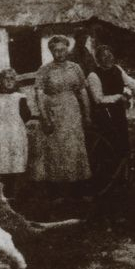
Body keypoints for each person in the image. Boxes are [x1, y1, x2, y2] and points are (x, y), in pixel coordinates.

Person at [85, 45, 135, 184]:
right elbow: (98, 99)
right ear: (98, 59)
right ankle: (106, 177)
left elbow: (132, 83)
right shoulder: (93, 75)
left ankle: (123, 176)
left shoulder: (117, 69)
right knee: (110, 145)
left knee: (123, 141)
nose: (108, 58)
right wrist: (117, 97)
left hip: (117, 112)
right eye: (104, 56)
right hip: (103, 113)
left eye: (110, 55)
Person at [33, 36, 92, 193]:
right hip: (54, 111)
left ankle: (77, 188)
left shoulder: (75, 68)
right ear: (51, 51)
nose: (60, 54)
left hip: (73, 111)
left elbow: (83, 91)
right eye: (56, 50)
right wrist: (45, 117)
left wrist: (87, 114)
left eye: (63, 50)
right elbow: (39, 95)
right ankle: (57, 190)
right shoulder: (44, 70)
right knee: (56, 149)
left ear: (67, 49)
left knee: (74, 147)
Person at [0, 69, 32, 199]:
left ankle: (13, 193)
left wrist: (15, 123)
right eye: (6, 79)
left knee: (14, 161)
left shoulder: (19, 97)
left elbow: (26, 115)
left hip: (15, 133)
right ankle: (0, 193)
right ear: (0, 81)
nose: (9, 81)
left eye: (12, 79)